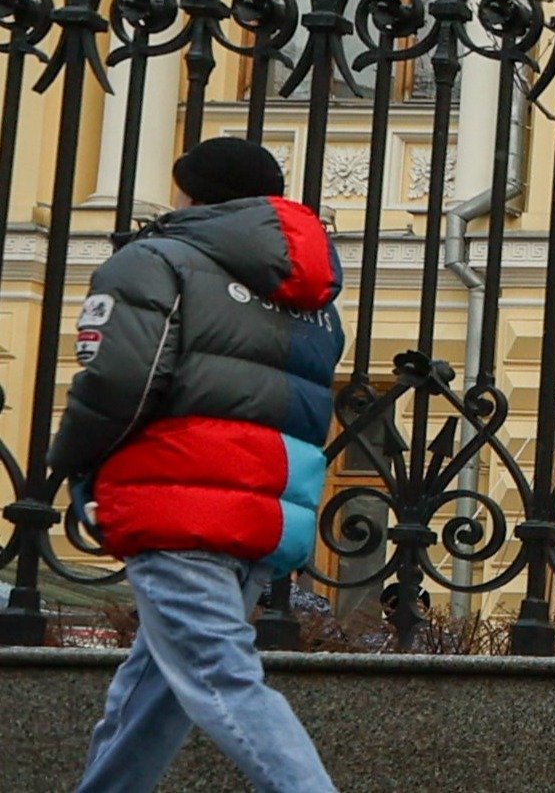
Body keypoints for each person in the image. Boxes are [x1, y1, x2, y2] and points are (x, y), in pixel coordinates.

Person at [53, 135, 343, 793]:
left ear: (191, 192)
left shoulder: (154, 259)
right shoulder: (314, 291)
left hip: (175, 497)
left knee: (219, 675)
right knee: (155, 684)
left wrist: (72, 461)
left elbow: (118, 380)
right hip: (259, 504)